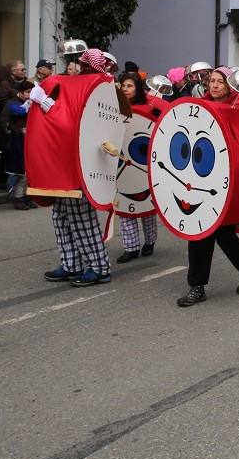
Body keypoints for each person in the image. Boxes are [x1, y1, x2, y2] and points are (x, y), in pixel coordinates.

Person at [177, 67, 239, 307]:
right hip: (199, 178)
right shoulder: (199, 108)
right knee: (199, 230)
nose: (214, 86)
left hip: (229, 179)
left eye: (220, 82)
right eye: (211, 81)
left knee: (225, 234)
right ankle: (197, 287)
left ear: (229, 85)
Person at [36, 49, 116, 287]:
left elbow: (73, 121)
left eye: (81, 63)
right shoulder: (89, 85)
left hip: (81, 163)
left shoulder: (97, 86)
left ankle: (100, 267)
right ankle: (71, 264)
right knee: (60, 215)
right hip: (66, 159)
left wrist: (46, 103)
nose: (77, 67)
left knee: (81, 218)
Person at [116, 72, 160, 262]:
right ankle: (130, 247)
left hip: (144, 165)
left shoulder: (149, 109)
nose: (125, 89)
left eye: (130, 86)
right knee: (124, 206)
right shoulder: (111, 109)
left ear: (138, 89)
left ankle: (149, 242)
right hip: (120, 166)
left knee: (146, 206)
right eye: (123, 86)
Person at [0, 80, 34, 210]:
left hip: (28, 141)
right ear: (21, 92)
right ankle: (15, 195)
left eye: (32, 92)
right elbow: (13, 116)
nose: (30, 95)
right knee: (18, 171)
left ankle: (25, 195)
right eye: (28, 92)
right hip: (15, 141)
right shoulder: (12, 103)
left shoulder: (32, 104)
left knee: (27, 171)